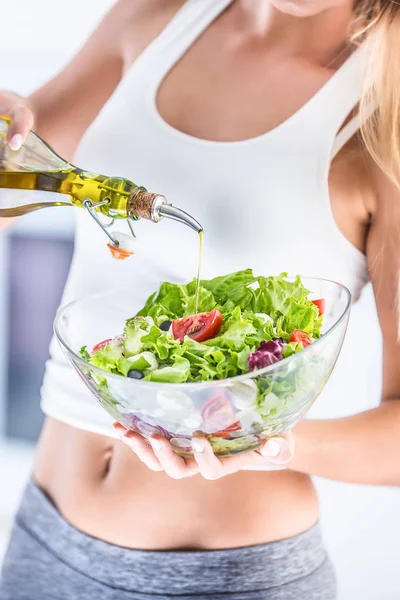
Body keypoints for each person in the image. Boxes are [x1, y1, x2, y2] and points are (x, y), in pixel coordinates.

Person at [0, 0, 399, 598]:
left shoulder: (382, 108)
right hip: (42, 533)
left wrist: (263, 442)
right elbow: (16, 178)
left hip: (227, 577)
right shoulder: (154, 16)